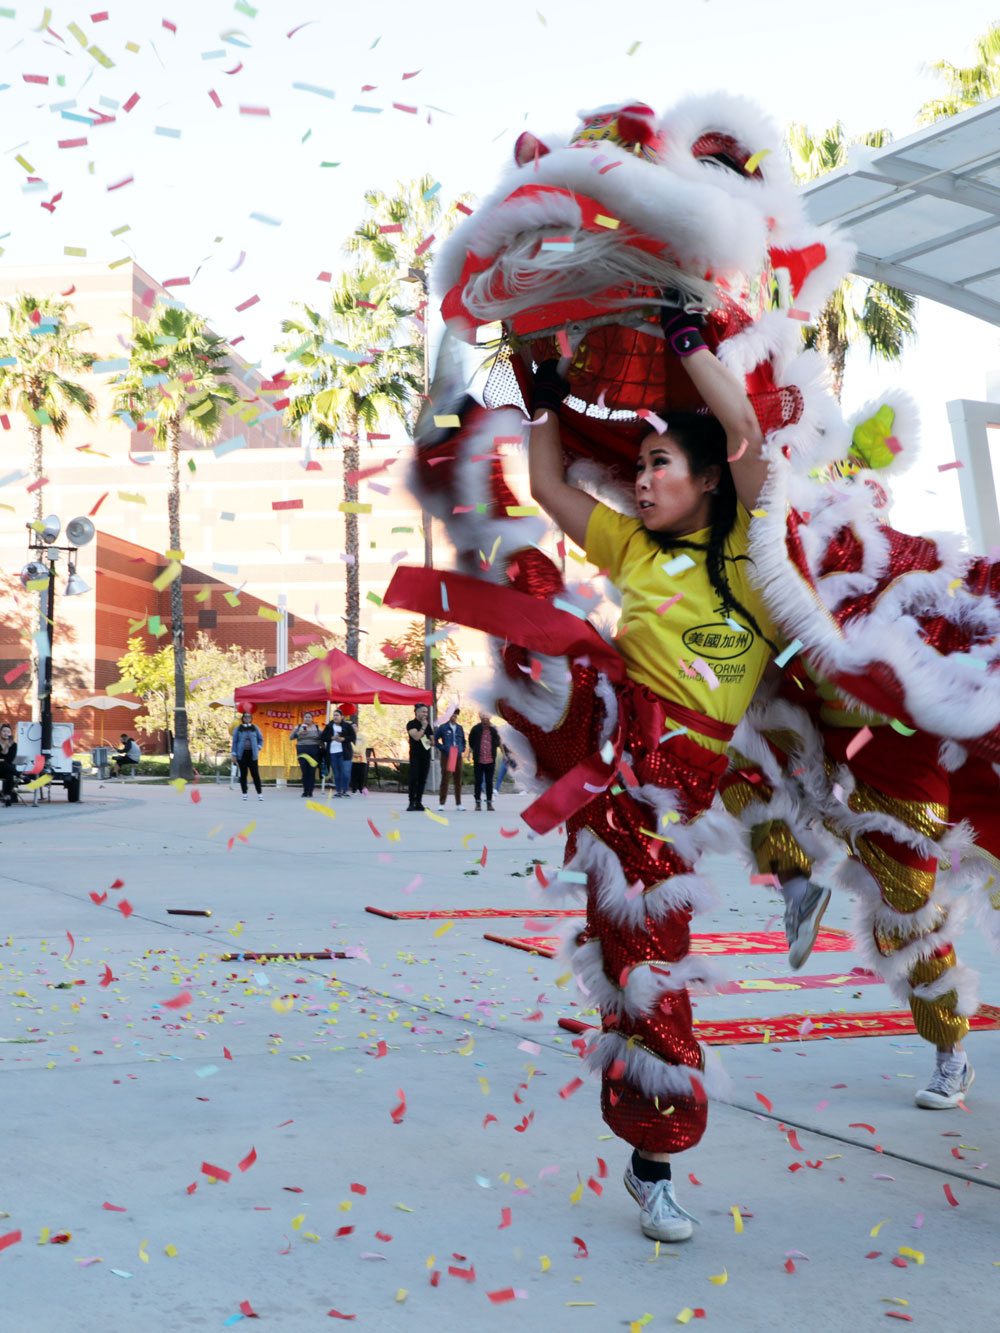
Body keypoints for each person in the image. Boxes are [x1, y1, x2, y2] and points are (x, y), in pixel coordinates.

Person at [523, 306, 775, 1244]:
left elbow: (747, 433)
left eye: (660, 462)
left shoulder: (752, 558)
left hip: (694, 805)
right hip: (617, 787)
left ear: (709, 481)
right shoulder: (633, 547)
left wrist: (686, 339)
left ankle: (648, 1151)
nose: (641, 476)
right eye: (639, 464)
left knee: (642, 978)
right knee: (649, 977)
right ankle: (656, 1160)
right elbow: (548, 481)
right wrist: (541, 391)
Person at [434, 707, 466, 811]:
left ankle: (459, 804)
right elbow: (435, 739)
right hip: (448, 754)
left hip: (457, 754)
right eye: (452, 714)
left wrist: (462, 748)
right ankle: (442, 803)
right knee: (445, 779)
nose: (454, 716)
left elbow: (463, 741)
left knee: (458, 780)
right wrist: (443, 748)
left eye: (456, 714)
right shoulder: (443, 727)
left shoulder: (460, 728)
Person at [468, 712, 501, 810]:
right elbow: (471, 741)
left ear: (490, 717)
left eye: (487, 716)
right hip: (479, 759)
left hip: (490, 759)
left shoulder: (494, 729)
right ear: (480, 717)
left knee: (489, 782)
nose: (485, 717)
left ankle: (489, 803)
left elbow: (498, 741)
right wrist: (475, 750)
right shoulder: (476, 729)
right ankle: (477, 802)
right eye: (483, 716)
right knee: (478, 781)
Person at [321, 709, 356, 798]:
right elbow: (323, 737)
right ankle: (338, 791)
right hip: (333, 752)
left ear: (342, 717)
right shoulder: (329, 726)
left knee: (345, 772)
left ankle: (345, 791)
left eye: (337, 715)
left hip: (344, 752)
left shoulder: (347, 726)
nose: (335, 717)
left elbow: (353, 736)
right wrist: (331, 737)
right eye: (334, 715)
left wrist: (344, 739)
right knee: (336, 773)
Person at [231, 711, 264, 802]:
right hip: (242, 754)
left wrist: (258, 747)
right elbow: (235, 742)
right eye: (245, 717)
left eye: (249, 717)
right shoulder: (238, 729)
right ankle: (244, 793)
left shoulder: (255, 728)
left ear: (251, 718)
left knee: (255, 774)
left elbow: (261, 740)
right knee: (243, 774)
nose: (247, 718)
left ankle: (259, 793)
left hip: (252, 754)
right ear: (243, 718)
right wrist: (234, 754)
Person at [290, 711, 322, 798]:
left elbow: (322, 737)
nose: (307, 719)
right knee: (305, 771)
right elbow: (291, 737)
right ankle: (305, 791)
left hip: (313, 750)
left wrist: (320, 743)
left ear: (312, 719)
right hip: (302, 750)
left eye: (309, 717)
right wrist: (299, 733)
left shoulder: (316, 727)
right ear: (303, 719)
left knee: (312, 771)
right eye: (306, 717)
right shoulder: (299, 727)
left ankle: (310, 791)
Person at [406, 704, 432, 811]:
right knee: (414, 778)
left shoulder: (428, 725)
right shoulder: (411, 724)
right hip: (415, 755)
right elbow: (416, 737)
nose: (425, 714)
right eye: (423, 712)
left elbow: (433, 740)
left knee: (422, 779)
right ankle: (411, 802)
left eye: (426, 712)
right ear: (416, 712)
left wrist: (431, 741)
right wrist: (423, 727)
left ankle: (419, 802)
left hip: (425, 755)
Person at [0, 722, 18, 806]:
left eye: (8, 732)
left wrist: (3, 759)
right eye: (4, 731)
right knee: (5, 765)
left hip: (6, 769)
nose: (6, 733)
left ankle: (7, 796)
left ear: (10, 733)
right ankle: (20, 775)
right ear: (0, 732)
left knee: (9, 774)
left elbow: (11, 759)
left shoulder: (13, 745)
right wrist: (6, 747)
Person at [350, 717, 368, 794]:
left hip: (361, 759)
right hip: (352, 759)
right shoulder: (349, 737)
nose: (354, 728)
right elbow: (350, 747)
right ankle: (354, 788)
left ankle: (361, 788)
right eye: (352, 727)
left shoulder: (362, 736)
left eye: (355, 726)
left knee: (361, 775)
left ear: (357, 727)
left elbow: (364, 746)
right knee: (353, 775)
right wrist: (355, 752)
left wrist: (358, 752)